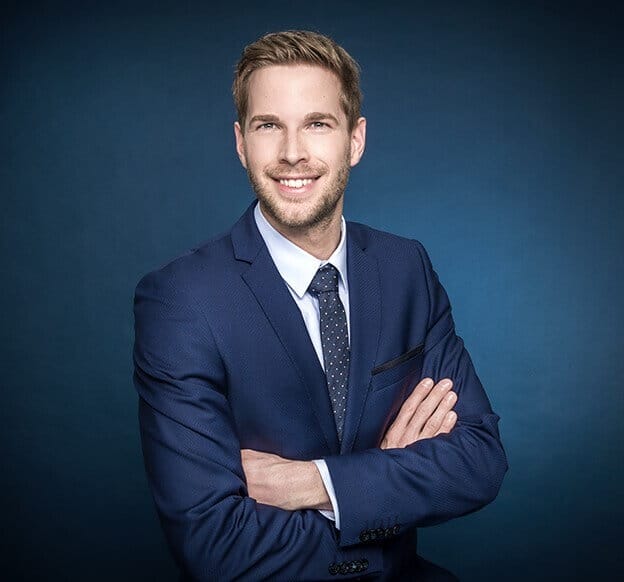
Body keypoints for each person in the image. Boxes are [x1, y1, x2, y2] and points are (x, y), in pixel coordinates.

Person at [133, 30, 507, 581]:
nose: (291, 153)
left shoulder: (406, 268)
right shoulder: (181, 301)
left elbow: (479, 461)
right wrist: (384, 493)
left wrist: (314, 483)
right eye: (268, 126)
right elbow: (214, 547)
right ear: (241, 143)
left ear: (355, 140)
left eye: (317, 123)